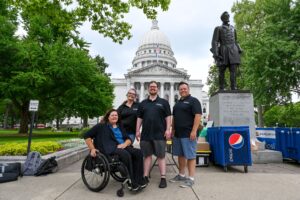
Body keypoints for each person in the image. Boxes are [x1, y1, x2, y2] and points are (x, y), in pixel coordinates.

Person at [84, 109, 147, 191]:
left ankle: (139, 179)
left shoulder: (120, 126)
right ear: (108, 117)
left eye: (116, 115)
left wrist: (124, 144)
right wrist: (92, 149)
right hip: (110, 149)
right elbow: (87, 136)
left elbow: (128, 139)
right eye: (112, 115)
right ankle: (131, 181)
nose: (114, 116)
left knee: (138, 153)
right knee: (126, 155)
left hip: (123, 146)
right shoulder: (101, 126)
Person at [136, 81, 171, 188]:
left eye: (154, 87)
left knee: (161, 156)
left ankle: (163, 178)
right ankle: (145, 176)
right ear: (148, 88)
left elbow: (168, 117)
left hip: (159, 134)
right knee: (147, 156)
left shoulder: (164, 102)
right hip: (146, 134)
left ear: (158, 89)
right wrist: (137, 130)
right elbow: (139, 118)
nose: (152, 88)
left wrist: (168, 129)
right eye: (151, 87)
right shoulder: (143, 103)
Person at [170, 81, 202, 188]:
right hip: (178, 134)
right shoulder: (177, 104)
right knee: (181, 155)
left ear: (188, 89)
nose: (183, 90)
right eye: (181, 89)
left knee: (190, 156)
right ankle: (181, 175)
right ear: (178, 91)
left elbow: (198, 116)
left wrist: (194, 131)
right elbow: (174, 118)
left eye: (185, 88)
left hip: (189, 134)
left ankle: (191, 178)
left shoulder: (194, 101)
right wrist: (173, 130)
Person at [211, 11, 242, 90]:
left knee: (233, 70)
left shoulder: (233, 28)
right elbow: (215, 41)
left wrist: (239, 48)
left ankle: (234, 87)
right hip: (223, 50)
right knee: (222, 70)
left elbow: (236, 40)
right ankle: (221, 87)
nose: (227, 17)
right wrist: (216, 54)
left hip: (233, 50)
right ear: (223, 18)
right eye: (226, 16)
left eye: (228, 16)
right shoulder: (218, 28)